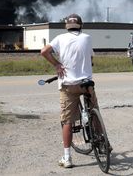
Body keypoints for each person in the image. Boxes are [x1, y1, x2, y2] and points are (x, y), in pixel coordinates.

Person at [40, 13, 97, 168]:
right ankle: (103, 145)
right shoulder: (87, 38)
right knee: (94, 112)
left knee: (67, 121)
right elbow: (91, 60)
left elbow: (44, 51)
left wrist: (57, 65)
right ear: (81, 25)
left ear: (67, 26)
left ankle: (67, 158)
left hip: (68, 85)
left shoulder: (60, 38)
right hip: (86, 83)